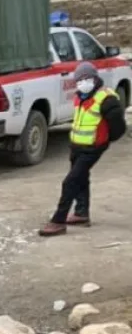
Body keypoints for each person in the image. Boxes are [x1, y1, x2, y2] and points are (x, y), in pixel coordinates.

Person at [39, 61, 126, 236]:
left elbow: (119, 127)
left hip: (93, 147)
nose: (82, 82)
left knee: (70, 182)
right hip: (77, 146)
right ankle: (81, 213)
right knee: (80, 179)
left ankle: (58, 221)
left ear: (95, 78)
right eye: (79, 79)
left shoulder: (107, 99)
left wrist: (103, 141)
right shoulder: (80, 96)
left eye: (86, 78)